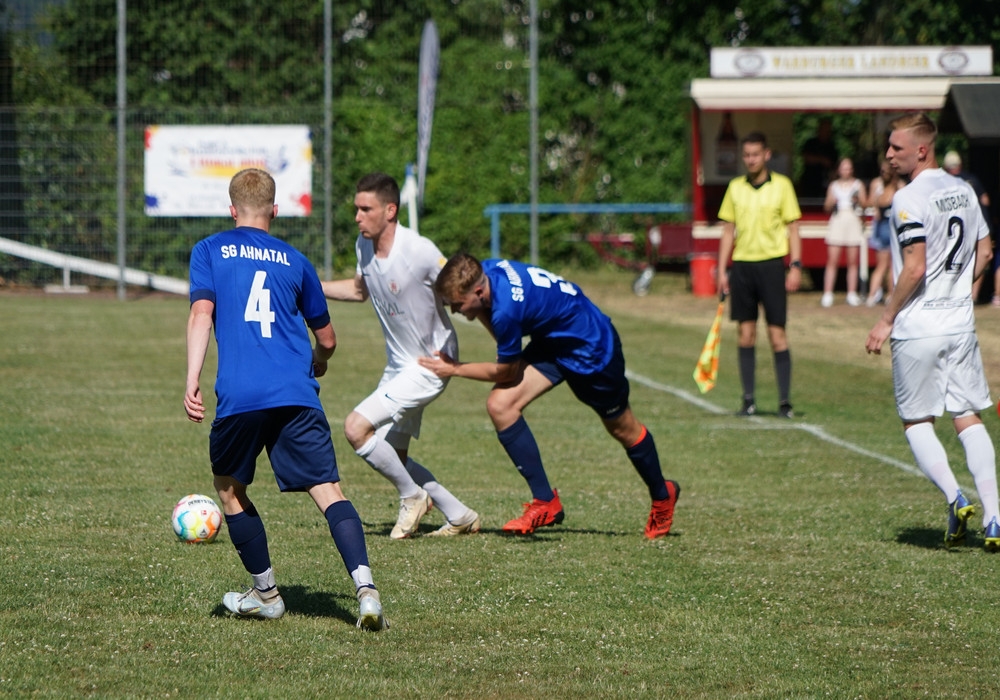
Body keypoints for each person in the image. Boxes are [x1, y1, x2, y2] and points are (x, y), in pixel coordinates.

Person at [184, 168, 387, 629]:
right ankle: (367, 592)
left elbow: (201, 313)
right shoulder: (296, 260)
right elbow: (328, 338)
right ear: (274, 211)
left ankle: (267, 595)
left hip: (240, 393)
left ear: (232, 210)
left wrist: (192, 377)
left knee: (229, 489)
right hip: (297, 393)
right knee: (328, 491)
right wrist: (319, 360)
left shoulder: (209, 249)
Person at [417, 253, 680, 539]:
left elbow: (506, 372)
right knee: (501, 405)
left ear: (479, 292)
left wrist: (454, 368)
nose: (455, 310)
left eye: (458, 304)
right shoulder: (487, 271)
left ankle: (662, 494)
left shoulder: (505, 310)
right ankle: (545, 502)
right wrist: (476, 310)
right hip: (553, 342)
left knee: (622, 428)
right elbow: (501, 329)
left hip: (591, 349)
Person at [865, 113, 999, 551]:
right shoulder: (963, 189)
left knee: (916, 421)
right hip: (959, 323)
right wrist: (958, 288)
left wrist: (886, 319)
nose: (889, 154)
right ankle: (994, 517)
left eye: (896, 147)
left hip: (919, 326)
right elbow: (985, 250)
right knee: (967, 417)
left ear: (921, 150)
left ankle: (955, 497)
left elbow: (915, 266)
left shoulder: (908, 197)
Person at [322, 173, 480, 539]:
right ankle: (459, 515)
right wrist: (309, 285)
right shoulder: (364, 246)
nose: (357, 217)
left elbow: (461, 286)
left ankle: (412, 496)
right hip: (398, 365)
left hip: (430, 364)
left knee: (356, 428)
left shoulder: (419, 251)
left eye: (366, 209)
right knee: (394, 453)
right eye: (356, 209)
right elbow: (359, 290)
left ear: (390, 210)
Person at [716, 131, 802, 418]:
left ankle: (784, 402)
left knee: (777, 334)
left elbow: (793, 228)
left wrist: (795, 265)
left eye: (755, 154)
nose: (751, 160)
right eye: (747, 155)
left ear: (766, 155)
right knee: (745, 334)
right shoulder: (735, 188)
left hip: (772, 266)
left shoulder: (782, 186)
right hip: (742, 266)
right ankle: (748, 400)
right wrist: (722, 270)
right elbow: (728, 231)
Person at [943, 151, 993, 303]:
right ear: (960, 164)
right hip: (980, 225)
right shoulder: (971, 180)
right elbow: (985, 200)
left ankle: (956, 291)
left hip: (956, 229)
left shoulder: (946, 183)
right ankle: (973, 295)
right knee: (980, 256)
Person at [820, 157, 868, 307]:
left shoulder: (858, 184)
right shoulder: (833, 185)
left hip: (853, 218)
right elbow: (826, 207)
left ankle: (851, 293)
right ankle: (828, 293)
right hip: (838, 218)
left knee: (852, 261)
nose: (846, 171)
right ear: (839, 170)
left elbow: (865, 203)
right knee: (832, 260)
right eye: (843, 168)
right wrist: (831, 202)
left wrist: (858, 200)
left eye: (848, 168)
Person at [865, 159, 904, 307]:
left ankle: (872, 295)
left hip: (881, 228)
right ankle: (890, 295)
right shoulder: (899, 187)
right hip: (892, 228)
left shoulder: (880, 190)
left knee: (881, 266)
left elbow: (875, 206)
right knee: (893, 265)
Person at [799, 117, 838, 199]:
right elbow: (806, 157)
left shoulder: (832, 146)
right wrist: (821, 160)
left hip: (825, 183)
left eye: (828, 130)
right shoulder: (810, 143)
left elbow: (834, 165)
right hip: (810, 181)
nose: (826, 132)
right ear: (819, 129)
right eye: (824, 129)